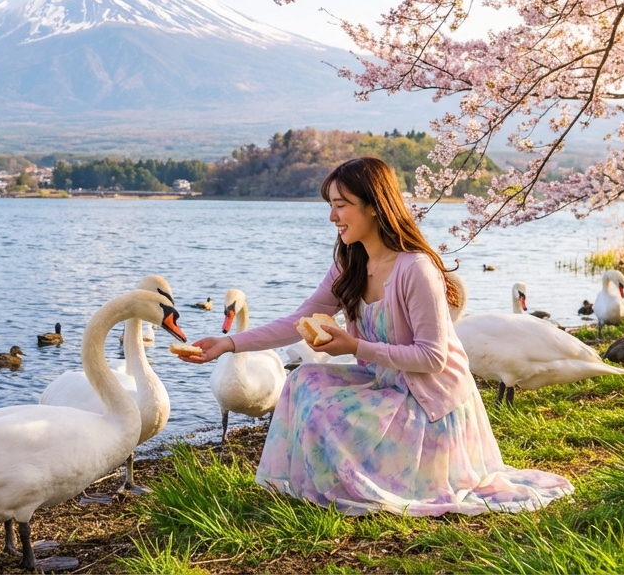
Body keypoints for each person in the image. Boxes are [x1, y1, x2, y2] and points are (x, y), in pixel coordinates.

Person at [182, 157, 572, 515]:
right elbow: (298, 319)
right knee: (302, 379)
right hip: (385, 386)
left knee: (322, 402)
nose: (333, 216)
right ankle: (322, 483)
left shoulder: (415, 268)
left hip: (431, 405)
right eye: (330, 206)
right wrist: (228, 343)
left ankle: (364, 483)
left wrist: (355, 346)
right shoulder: (349, 263)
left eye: (341, 205)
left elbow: (432, 358)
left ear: (373, 205)